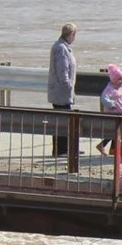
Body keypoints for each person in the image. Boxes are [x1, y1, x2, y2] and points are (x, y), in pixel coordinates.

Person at [48, 23, 77, 157]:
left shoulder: (62, 46)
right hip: (61, 91)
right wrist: (68, 85)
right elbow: (62, 69)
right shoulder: (61, 48)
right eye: (74, 35)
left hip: (61, 91)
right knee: (63, 121)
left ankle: (63, 149)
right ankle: (61, 150)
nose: (74, 38)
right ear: (71, 35)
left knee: (62, 120)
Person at [95, 64, 122, 158]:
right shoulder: (110, 89)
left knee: (117, 131)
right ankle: (102, 145)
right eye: (119, 80)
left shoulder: (119, 88)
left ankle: (113, 149)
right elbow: (104, 98)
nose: (121, 81)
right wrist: (111, 104)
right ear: (114, 80)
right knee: (115, 132)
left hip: (121, 113)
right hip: (113, 114)